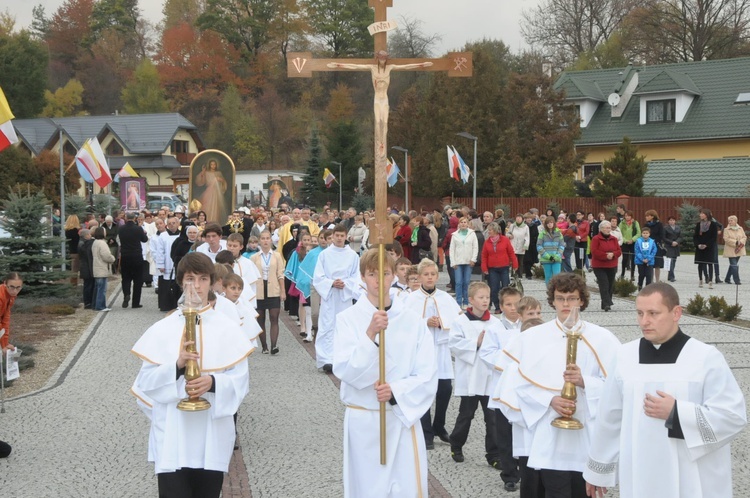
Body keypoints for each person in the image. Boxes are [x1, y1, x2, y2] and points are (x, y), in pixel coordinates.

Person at [583, 283, 747, 498]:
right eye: (640, 313)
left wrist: (677, 413)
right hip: (640, 471)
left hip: (691, 475)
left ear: (676, 313)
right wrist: (598, 470)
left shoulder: (705, 357)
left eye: (653, 313)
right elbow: (609, 416)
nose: (645, 321)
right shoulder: (624, 356)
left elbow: (732, 416)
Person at [131, 253, 252, 498]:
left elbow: (241, 380)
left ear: (212, 283)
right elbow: (145, 385)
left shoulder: (227, 328)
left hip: (212, 432)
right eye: (190, 279)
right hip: (173, 432)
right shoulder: (163, 328)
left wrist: (213, 382)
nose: (196, 286)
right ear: (180, 282)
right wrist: (176, 367)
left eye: (203, 279)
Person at [494, 273, 621, 498]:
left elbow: (618, 389)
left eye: (571, 298)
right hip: (548, 439)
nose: (565, 304)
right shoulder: (532, 338)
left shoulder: (603, 339)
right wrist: (550, 400)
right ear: (552, 300)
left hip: (586, 440)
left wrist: (585, 383)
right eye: (560, 298)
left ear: (582, 300)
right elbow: (515, 385)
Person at [332, 248, 437, 498]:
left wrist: (396, 391)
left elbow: (427, 374)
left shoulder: (412, 321)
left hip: (400, 418)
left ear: (394, 277)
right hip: (364, 422)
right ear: (362, 278)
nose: (379, 280)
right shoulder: (347, 319)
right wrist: (369, 335)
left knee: (405, 488)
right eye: (371, 274)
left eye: (386, 273)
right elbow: (344, 369)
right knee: (367, 489)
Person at [448, 282, 503, 476]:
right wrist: (475, 343)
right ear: (470, 300)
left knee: (492, 419)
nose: (485, 301)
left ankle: (494, 455)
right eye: (480, 297)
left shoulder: (496, 323)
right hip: (471, 377)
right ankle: (456, 444)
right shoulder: (461, 321)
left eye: (487, 297)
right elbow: (453, 344)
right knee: (466, 415)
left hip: (489, 378)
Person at [405, 258, 462, 450]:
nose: (429, 278)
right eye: (426, 274)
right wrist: (425, 322)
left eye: (433, 274)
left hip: (441, 349)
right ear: (419, 276)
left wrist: (443, 321)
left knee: (444, 389)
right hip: (421, 351)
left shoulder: (446, 298)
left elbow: (459, 320)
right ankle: (426, 431)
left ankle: (439, 424)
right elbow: (404, 324)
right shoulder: (411, 299)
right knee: (424, 390)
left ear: (437, 276)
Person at [478, 286, 523, 491]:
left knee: (524, 431)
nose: (513, 308)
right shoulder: (495, 329)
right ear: (501, 306)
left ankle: (527, 470)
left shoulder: (530, 326)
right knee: (504, 434)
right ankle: (509, 475)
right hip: (503, 386)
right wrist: (511, 364)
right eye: (508, 304)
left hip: (525, 388)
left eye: (516, 303)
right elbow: (487, 354)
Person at [313, 224, 360, 373]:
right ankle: (326, 359)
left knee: (343, 326)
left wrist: (345, 284)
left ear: (346, 237)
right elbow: (318, 276)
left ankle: (342, 358)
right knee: (327, 325)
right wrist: (331, 283)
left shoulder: (352, 255)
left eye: (342, 236)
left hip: (344, 296)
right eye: (337, 235)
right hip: (330, 294)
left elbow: (356, 277)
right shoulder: (325, 255)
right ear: (332, 236)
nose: (339, 238)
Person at [250, 230, 285, 355]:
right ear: (260, 240)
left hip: (273, 288)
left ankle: (274, 345)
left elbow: (280, 274)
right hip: (259, 289)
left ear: (271, 240)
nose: (265, 241)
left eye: (267, 238)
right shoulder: (254, 257)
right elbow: (251, 276)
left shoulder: (277, 256)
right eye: (263, 238)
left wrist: (283, 291)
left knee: (274, 317)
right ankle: (264, 346)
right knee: (261, 319)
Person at [481, 222, 518, 313]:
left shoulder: (505, 240)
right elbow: (484, 256)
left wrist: (515, 264)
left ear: (496, 230)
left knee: (506, 287)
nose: (489, 232)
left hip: (504, 267)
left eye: (490, 230)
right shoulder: (487, 242)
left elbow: (511, 252)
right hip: (492, 268)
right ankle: (497, 306)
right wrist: (484, 268)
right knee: (494, 288)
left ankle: (507, 305)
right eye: (488, 230)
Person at [119, 212, 149, 309]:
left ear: (126, 218)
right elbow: (144, 240)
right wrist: (145, 234)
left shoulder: (121, 229)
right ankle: (135, 303)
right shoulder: (138, 229)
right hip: (136, 256)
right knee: (137, 280)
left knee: (126, 278)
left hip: (125, 256)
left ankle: (126, 294)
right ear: (135, 218)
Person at [590, 221, 622, 312]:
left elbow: (619, 251)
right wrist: (605, 256)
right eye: (606, 228)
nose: (608, 229)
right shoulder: (596, 239)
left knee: (610, 285)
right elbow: (594, 251)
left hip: (612, 265)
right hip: (599, 266)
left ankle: (605, 304)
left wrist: (613, 254)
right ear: (601, 229)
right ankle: (607, 303)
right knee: (604, 283)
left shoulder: (614, 239)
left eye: (609, 228)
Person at [449, 217, 478, 308]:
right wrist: (453, 262)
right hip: (458, 262)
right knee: (458, 282)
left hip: (468, 262)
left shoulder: (472, 234)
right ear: (459, 224)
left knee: (466, 282)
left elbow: (475, 247)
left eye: (465, 222)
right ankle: (458, 302)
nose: (463, 224)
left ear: (468, 224)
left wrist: (473, 259)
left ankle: (466, 302)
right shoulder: (454, 235)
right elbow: (452, 249)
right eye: (461, 222)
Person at [155, 217, 182, 312]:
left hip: (179, 264)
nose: (171, 225)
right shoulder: (163, 235)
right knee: (167, 286)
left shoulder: (182, 235)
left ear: (178, 224)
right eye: (169, 223)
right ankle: (166, 305)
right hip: (167, 264)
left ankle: (178, 305)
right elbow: (160, 251)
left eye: (174, 223)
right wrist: (160, 265)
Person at [195, 159, 228, 224]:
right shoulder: (206, 173)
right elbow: (201, 182)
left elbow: (224, 182)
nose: (213, 166)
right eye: (211, 164)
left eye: (214, 164)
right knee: (207, 207)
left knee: (215, 209)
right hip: (209, 192)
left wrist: (219, 179)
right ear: (209, 165)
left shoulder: (218, 173)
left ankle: (215, 223)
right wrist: (203, 172)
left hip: (217, 193)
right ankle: (206, 222)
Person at [92, 227, 116, 311]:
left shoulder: (95, 242)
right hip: (102, 267)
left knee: (97, 288)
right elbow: (106, 255)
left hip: (96, 267)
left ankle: (95, 304)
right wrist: (113, 258)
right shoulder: (102, 243)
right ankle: (100, 306)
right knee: (102, 288)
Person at [693, 209, 718, 289]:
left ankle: (710, 281)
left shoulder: (713, 224)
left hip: (709, 247)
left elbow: (714, 237)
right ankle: (701, 279)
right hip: (700, 247)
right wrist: (698, 244)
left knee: (710, 264)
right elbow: (695, 236)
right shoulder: (698, 224)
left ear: (706, 215)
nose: (700, 215)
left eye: (702, 213)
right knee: (700, 264)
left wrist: (707, 245)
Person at [538, 216, 565, 285]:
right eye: (548, 223)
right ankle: (549, 292)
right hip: (546, 259)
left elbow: (562, 245)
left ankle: (557, 292)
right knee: (548, 277)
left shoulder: (559, 233)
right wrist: (548, 256)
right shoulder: (542, 234)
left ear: (554, 223)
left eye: (551, 222)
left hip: (556, 259)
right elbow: (539, 246)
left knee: (557, 277)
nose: (550, 224)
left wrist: (558, 255)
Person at [1, 272, 22, 354]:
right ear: (5, 283)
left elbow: (5, 320)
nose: (15, 291)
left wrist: (5, 343)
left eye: (18, 288)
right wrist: (3, 345)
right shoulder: (1, 296)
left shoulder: (10, 296)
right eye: (12, 287)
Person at [722, 215, 746, 285]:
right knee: (734, 265)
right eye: (729, 220)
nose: (730, 222)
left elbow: (744, 237)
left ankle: (727, 278)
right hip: (730, 250)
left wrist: (741, 241)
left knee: (732, 265)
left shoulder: (740, 228)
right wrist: (735, 242)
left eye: (731, 220)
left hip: (739, 249)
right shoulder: (726, 230)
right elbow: (726, 239)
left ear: (735, 221)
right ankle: (737, 280)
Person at [644, 210, 665, 283]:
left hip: (657, 245)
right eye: (646, 216)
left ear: (652, 216)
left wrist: (654, 241)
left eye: (647, 216)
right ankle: (650, 280)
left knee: (657, 264)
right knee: (650, 264)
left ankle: (657, 281)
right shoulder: (646, 225)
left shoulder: (659, 224)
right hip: (647, 246)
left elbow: (661, 235)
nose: (646, 217)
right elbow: (643, 234)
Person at [619, 211, 640, 281]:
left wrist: (633, 240)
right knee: (624, 258)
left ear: (631, 216)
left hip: (633, 243)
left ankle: (632, 275)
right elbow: (620, 233)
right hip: (625, 243)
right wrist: (625, 240)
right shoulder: (622, 223)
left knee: (633, 259)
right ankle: (622, 273)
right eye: (626, 216)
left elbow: (638, 233)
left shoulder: (635, 223)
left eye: (628, 216)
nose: (627, 217)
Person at [507, 214, 530, 278]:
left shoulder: (525, 227)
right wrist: (509, 236)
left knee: (520, 261)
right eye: (517, 218)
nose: (518, 219)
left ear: (522, 219)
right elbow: (508, 233)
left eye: (520, 218)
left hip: (521, 245)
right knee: (513, 260)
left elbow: (527, 237)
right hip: (513, 244)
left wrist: (525, 246)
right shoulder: (512, 226)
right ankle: (513, 274)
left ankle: (520, 275)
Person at [635, 227, 657, 291]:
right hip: (640, 261)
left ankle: (648, 289)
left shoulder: (652, 241)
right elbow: (637, 251)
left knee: (649, 275)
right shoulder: (638, 241)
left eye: (646, 233)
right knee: (641, 275)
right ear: (641, 234)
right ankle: (640, 287)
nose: (645, 234)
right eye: (644, 233)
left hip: (649, 262)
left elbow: (654, 250)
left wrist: (648, 259)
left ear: (649, 234)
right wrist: (642, 259)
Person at [78, 229, 95, 309]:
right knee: (88, 285)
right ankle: (87, 302)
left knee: (89, 285)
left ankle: (90, 301)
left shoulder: (83, 243)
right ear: (86, 236)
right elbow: (87, 255)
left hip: (86, 267)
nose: (91, 236)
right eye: (89, 235)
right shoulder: (83, 244)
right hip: (86, 268)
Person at [664, 216, 682, 282]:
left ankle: (669, 275)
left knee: (674, 261)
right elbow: (664, 237)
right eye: (670, 220)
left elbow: (680, 236)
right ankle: (672, 276)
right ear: (668, 221)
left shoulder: (678, 228)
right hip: (669, 246)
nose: (672, 221)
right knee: (670, 261)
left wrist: (677, 242)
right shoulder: (665, 228)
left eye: (673, 220)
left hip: (676, 246)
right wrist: (671, 242)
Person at [65, 215, 81, 286]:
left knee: (74, 268)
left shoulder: (67, 231)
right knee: (75, 269)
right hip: (77, 251)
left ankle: (74, 282)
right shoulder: (76, 231)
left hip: (72, 250)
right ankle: (73, 283)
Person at [523, 212, 540, 280]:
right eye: (527, 218)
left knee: (532, 259)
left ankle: (528, 271)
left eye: (530, 218)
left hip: (533, 245)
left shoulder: (534, 225)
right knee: (527, 260)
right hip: (526, 244)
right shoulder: (523, 226)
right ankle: (528, 274)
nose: (529, 219)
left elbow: (536, 234)